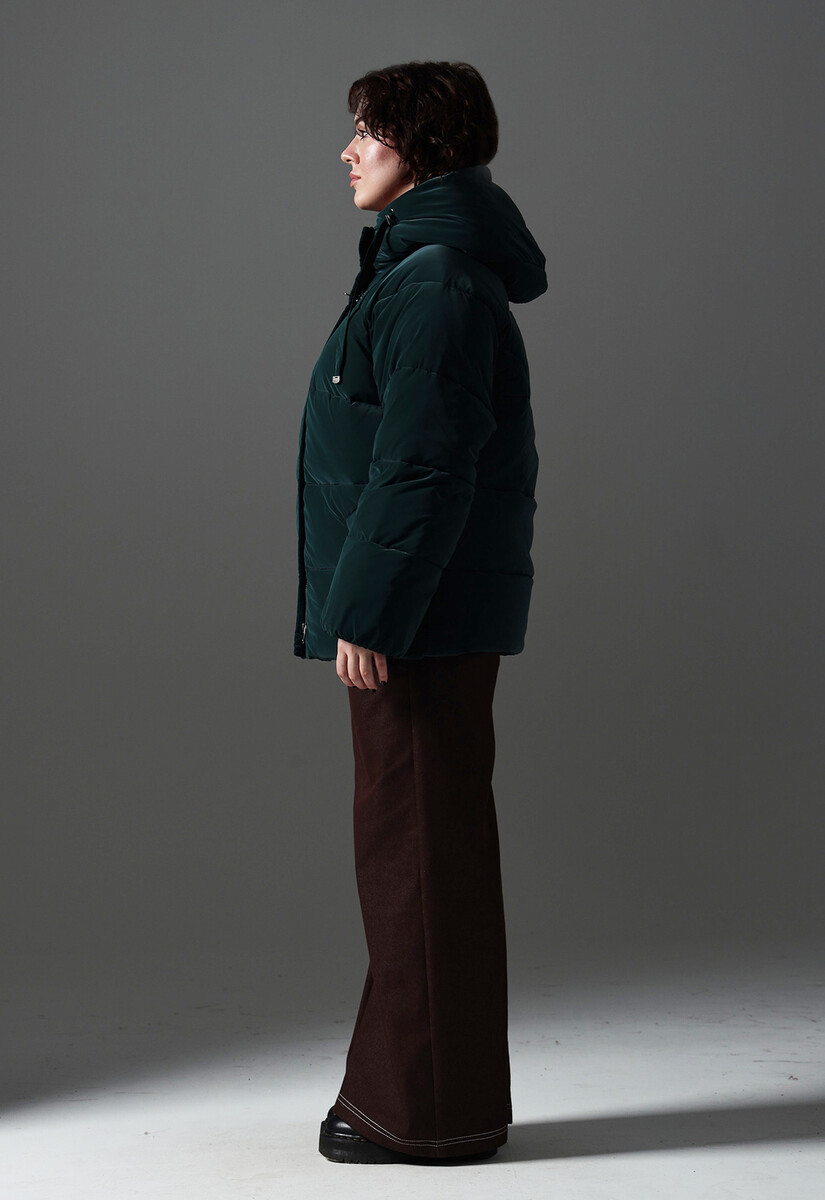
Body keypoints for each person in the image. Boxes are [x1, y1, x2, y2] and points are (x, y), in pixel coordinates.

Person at [294, 60, 547, 1164]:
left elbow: (424, 466)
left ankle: (426, 1115)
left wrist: (370, 612)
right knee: (419, 845)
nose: (349, 150)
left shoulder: (434, 279)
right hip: (426, 606)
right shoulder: (422, 267)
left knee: (417, 850)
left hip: (420, 617)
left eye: (369, 130)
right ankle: (429, 1097)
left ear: (424, 147)